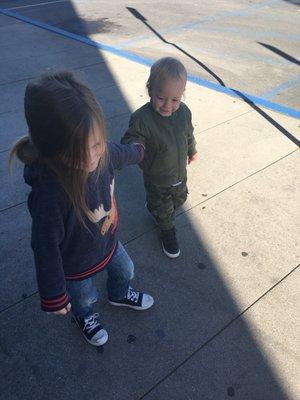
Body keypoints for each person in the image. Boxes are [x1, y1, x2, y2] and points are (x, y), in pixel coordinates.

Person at [10, 71, 154, 347]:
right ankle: (84, 316)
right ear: (53, 150)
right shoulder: (50, 193)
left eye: (97, 144)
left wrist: (139, 152)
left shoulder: (102, 152)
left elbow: (120, 153)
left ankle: (119, 292)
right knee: (84, 297)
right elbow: (44, 245)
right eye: (78, 151)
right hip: (75, 263)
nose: (92, 157)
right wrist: (53, 293)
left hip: (108, 241)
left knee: (126, 269)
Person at [121, 57, 198, 258]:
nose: (167, 105)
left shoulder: (184, 113)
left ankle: (156, 208)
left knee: (180, 199)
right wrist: (135, 148)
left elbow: (188, 134)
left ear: (182, 95)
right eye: (161, 97)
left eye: (175, 100)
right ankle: (166, 230)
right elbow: (132, 137)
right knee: (165, 213)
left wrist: (192, 149)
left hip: (179, 172)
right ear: (150, 90)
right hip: (157, 177)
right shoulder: (142, 118)